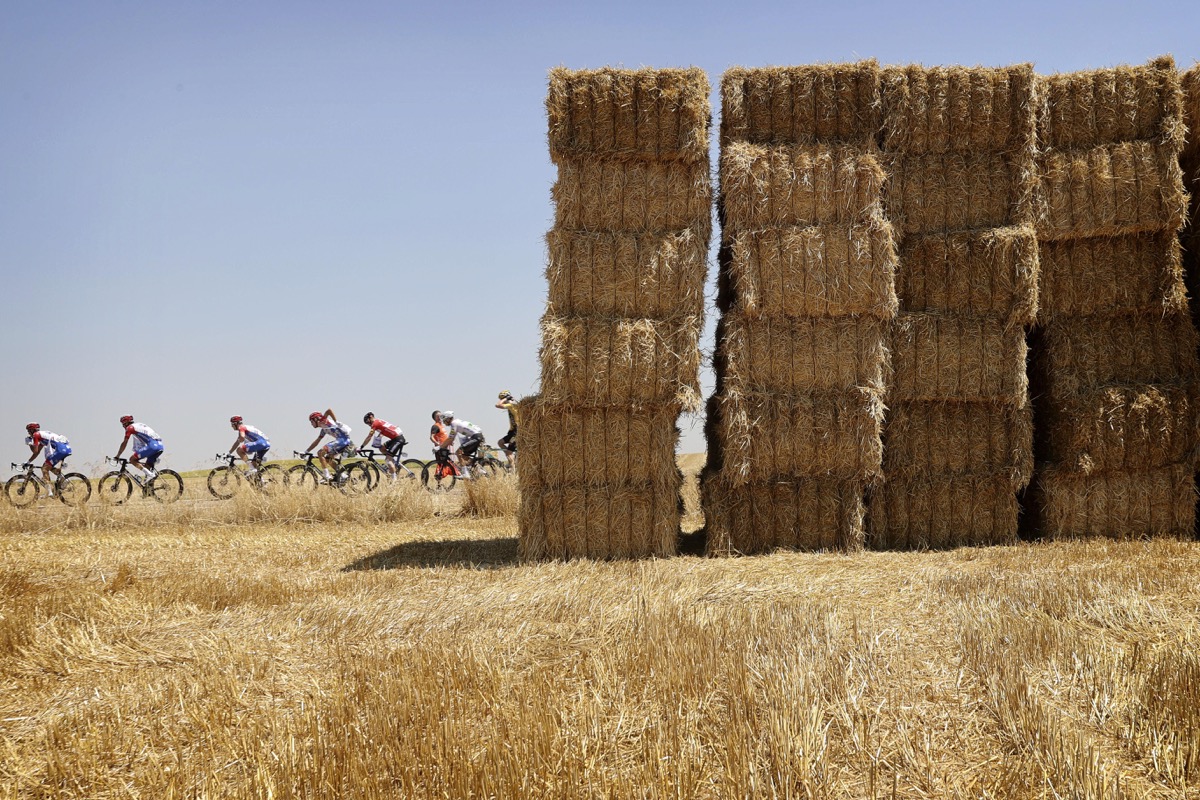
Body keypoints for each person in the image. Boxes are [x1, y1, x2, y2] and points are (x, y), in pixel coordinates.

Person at [23, 422, 72, 496]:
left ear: (33, 430)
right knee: (48, 466)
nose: (28, 433)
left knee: (44, 468)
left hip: (61, 449)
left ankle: (49, 492)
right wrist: (28, 461)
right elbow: (37, 452)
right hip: (64, 448)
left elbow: (35, 451)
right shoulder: (41, 437)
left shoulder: (36, 435)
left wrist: (29, 444)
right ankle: (64, 480)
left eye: (29, 431)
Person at [303, 409, 353, 482]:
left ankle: (327, 476)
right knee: (328, 459)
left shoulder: (324, 421)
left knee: (320, 453)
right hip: (343, 441)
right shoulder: (323, 429)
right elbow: (317, 441)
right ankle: (343, 475)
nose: (311, 424)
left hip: (342, 440)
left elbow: (329, 410)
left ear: (316, 419)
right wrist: (306, 451)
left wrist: (336, 421)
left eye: (311, 421)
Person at [115, 414, 164, 480]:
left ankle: (150, 475)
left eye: (123, 423)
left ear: (126, 422)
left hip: (152, 446)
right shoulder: (139, 425)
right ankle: (149, 487)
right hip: (160, 445)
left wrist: (118, 455)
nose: (123, 426)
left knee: (132, 459)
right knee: (147, 466)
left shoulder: (130, 428)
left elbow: (125, 442)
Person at [360, 412, 407, 477]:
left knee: (387, 459)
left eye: (367, 422)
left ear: (371, 417)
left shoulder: (375, 423)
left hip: (398, 439)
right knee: (382, 448)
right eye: (366, 424)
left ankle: (394, 480)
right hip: (395, 439)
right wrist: (377, 441)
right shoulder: (379, 421)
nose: (368, 424)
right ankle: (393, 462)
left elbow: (369, 436)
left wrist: (361, 447)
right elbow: (383, 432)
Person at [441, 411, 484, 478]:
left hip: (475, 437)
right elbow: (452, 437)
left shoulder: (454, 424)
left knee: (458, 452)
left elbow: (450, 438)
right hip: (477, 437)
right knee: (464, 456)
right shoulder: (457, 422)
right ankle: (478, 468)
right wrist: (449, 442)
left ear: (448, 419)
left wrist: (440, 447)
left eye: (444, 421)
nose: (444, 423)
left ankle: (465, 474)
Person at [495, 390, 518, 468]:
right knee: (500, 442)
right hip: (512, 431)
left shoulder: (511, 405)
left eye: (502, 398)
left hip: (517, 431)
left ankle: (513, 469)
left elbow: (497, 405)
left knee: (508, 452)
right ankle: (511, 460)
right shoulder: (511, 404)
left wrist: (505, 398)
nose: (502, 401)